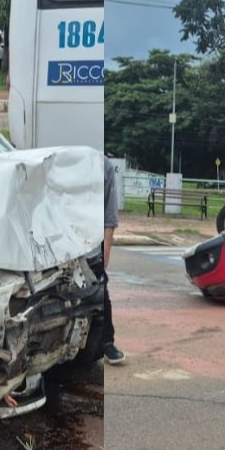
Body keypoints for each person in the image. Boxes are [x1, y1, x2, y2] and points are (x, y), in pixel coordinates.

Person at [101, 154, 125, 365]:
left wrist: (107, 246)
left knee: (100, 290)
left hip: (92, 238)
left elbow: (110, 211)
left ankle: (107, 343)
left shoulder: (103, 165)